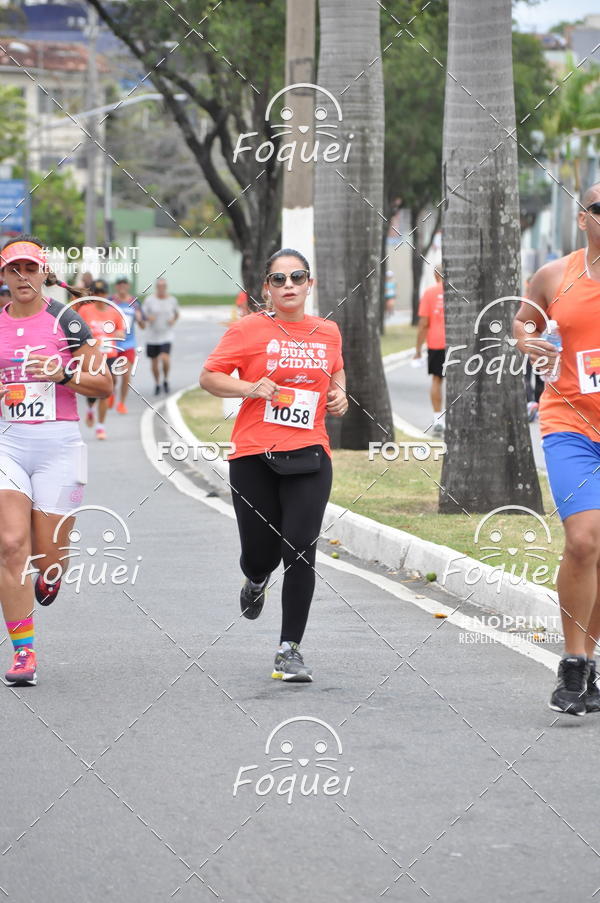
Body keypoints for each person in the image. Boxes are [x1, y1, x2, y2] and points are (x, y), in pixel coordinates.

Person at [200, 248, 347, 682]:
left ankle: (289, 649)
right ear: (267, 287)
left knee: (300, 548)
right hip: (254, 457)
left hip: (309, 454)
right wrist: (249, 387)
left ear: (309, 284)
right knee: (260, 554)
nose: (288, 286)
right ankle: (256, 579)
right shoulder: (249, 329)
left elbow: (336, 371)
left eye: (297, 278)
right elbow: (209, 376)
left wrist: (339, 394)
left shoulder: (328, 331)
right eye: (279, 279)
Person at [0, 235, 112, 685]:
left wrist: (63, 373)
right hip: (7, 444)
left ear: (44, 273)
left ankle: (50, 574)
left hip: (60, 446)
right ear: (3, 276)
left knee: (48, 559)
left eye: (31, 268)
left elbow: (103, 384)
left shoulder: (67, 321)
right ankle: (23, 651)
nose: (23, 277)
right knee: (10, 545)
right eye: (13, 269)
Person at [513, 181, 600, 716]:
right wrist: (526, 339)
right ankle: (573, 663)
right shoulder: (556, 275)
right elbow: (522, 319)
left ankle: (591, 662)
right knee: (585, 540)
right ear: (583, 217)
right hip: (568, 421)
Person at [78, 279, 125, 440]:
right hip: (90, 356)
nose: (99, 296)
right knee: (91, 393)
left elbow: (122, 332)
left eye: (102, 293)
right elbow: (76, 330)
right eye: (96, 293)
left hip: (109, 356)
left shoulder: (114, 312)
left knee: (105, 392)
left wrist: (118, 334)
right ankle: (90, 409)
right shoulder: (85, 310)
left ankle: (100, 426)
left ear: (107, 294)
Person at [413, 269, 446, 436]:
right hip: (458, 343)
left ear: (436, 275)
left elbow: (424, 323)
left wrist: (418, 349)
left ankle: (438, 419)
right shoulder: (460, 291)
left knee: (437, 380)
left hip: (436, 342)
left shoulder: (430, 293)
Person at [112, 276, 144, 414]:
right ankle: (111, 394)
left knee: (125, 375)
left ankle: (122, 403)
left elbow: (143, 325)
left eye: (124, 284)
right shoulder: (110, 301)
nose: (122, 286)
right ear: (116, 286)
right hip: (111, 343)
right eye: (120, 284)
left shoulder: (135, 303)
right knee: (112, 376)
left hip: (128, 344)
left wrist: (139, 317)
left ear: (128, 286)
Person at [143, 277, 179, 395]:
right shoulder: (149, 300)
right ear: (156, 287)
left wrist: (173, 320)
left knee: (164, 358)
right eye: (159, 286)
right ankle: (157, 383)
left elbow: (176, 314)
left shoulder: (172, 300)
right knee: (154, 363)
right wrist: (149, 318)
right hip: (152, 336)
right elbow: (143, 315)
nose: (161, 289)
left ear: (166, 287)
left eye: (163, 286)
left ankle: (166, 380)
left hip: (166, 335)